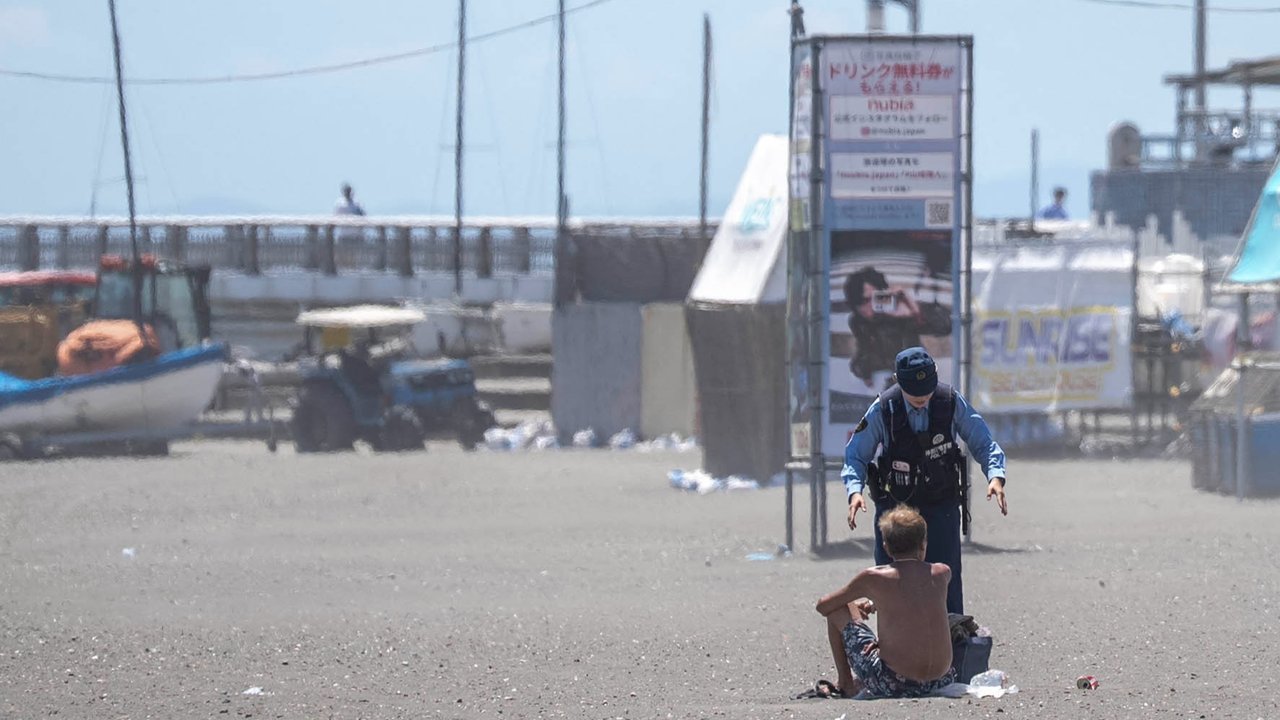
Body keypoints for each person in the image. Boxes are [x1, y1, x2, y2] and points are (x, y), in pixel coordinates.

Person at [842, 346, 1007, 615]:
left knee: (945, 583)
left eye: (927, 390)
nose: (921, 398)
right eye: (913, 393)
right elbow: (855, 456)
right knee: (889, 584)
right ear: (898, 380)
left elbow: (984, 442)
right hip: (896, 511)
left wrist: (995, 476)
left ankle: (952, 650)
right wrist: (854, 491)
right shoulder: (884, 408)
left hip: (940, 506)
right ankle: (892, 651)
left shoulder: (950, 401)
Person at [814, 505, 956, 699]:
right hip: (942, 679)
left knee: (839, 608)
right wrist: (875, 604)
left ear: (886, 547)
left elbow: (824, 605)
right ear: (923, 544)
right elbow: (913, 604)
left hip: (895, 683)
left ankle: (846, 683)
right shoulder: (942, 573)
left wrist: (856, 605)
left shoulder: (874, 577)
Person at [842, 267, 948, 389]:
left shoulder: (899, 313)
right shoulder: (857, 321)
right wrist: (864, 371)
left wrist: (914, 311)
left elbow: (945, 326)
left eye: (877, 298)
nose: (871, 306)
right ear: (854, 303)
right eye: (864, 301)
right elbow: (862, 350)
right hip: (882, 376)